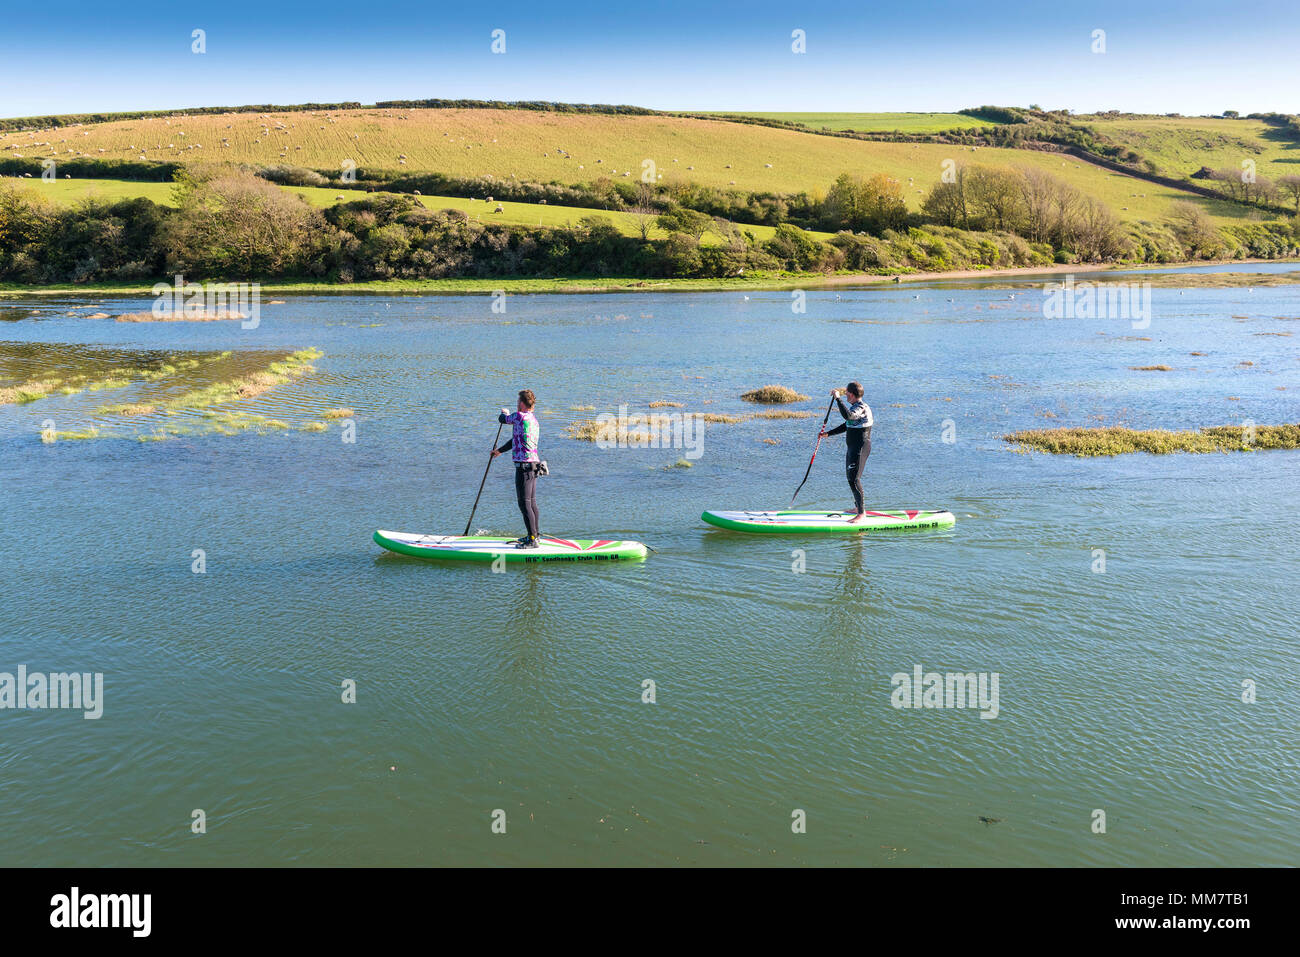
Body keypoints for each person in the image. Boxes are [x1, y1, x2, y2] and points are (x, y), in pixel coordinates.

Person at [491, 389, 542, 548]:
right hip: (533, 465)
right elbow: (516, 440)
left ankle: (532, 540)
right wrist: (499, 451)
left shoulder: (519, 416)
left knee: (524, 503)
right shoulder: (533, 420)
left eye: (517, 401)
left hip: (524, 467)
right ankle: (535, 535)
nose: (516, 404)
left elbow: (503, 419)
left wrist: (503, 412)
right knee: (531, 502)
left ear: (521, 403)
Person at [820, 381, 874, 522]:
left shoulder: (861, 407)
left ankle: (862, 514)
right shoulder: (855, 407)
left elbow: (848, 416)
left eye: (846, 393)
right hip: (852, 448)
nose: (845, 395)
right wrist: (828, 434)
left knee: (854, 479)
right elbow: (848, 424)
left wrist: (838, 399)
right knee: (851, 478)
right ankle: (858, 507)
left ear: (852, 394)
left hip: (860, 447)